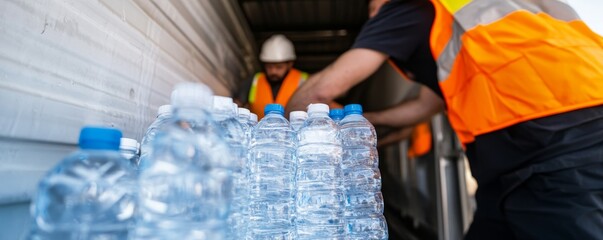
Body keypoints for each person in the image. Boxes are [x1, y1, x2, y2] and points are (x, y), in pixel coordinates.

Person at [285, 0, 603, 239]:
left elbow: (324, 88)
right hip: (524, 159)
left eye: (372, 5)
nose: (373, 16)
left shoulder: (406, 6)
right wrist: (366, 120)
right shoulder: (470, 20)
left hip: (560, 148)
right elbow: (427, 105)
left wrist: (287, 132)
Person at [237, 34, 308, 119]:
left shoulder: (304, 81)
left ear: (290, 64)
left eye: (279, 67)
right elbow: (237, 106)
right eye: (269, 66)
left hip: (294, 131)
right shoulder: (253, 81)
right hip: (259, 131)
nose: (273, 71)